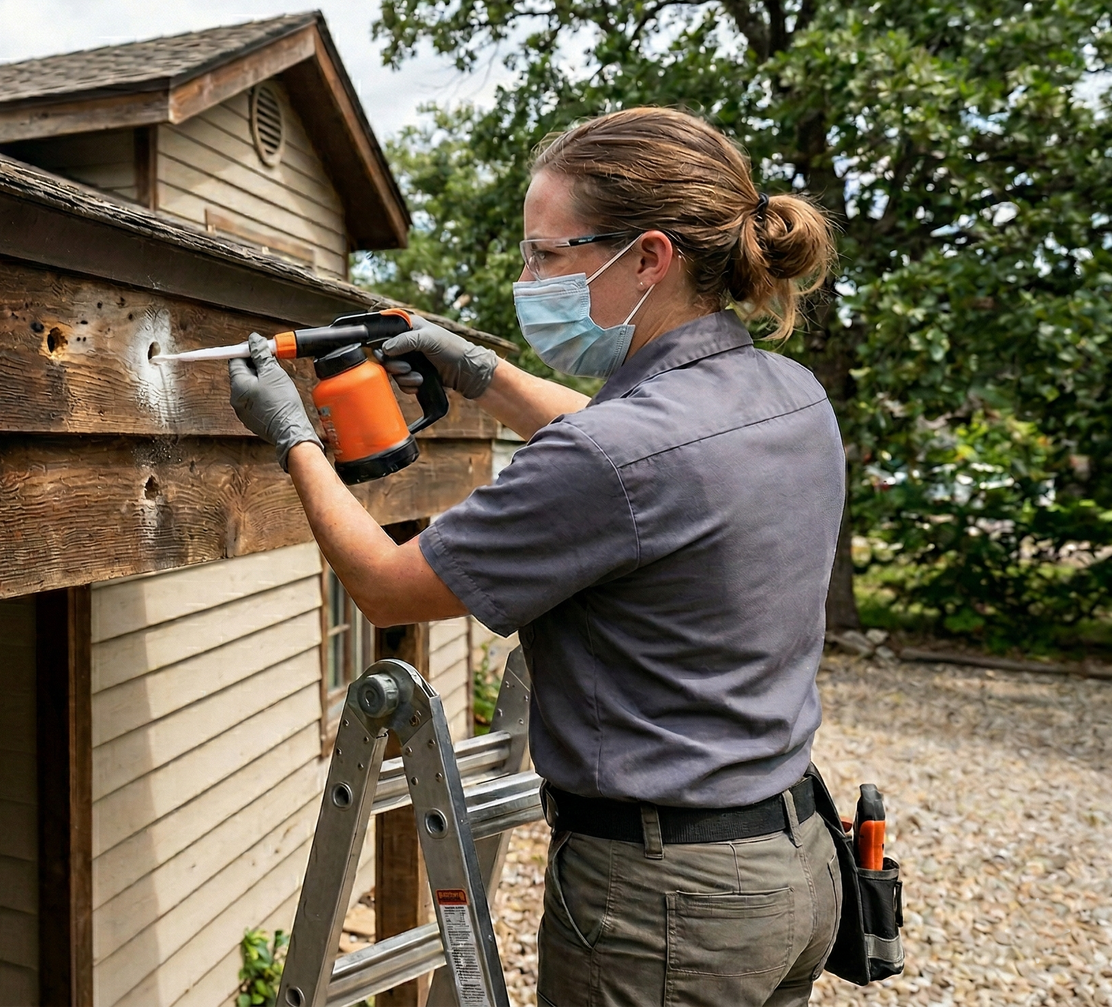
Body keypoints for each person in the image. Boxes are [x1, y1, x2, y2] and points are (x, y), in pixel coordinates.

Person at [227, 107, 845, 1007]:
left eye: (546, 255)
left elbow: (384, 582)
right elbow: (629, 452)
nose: (526, 278)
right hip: (792, 867)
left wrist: (292, 437)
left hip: (668, 907)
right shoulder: (788, 393)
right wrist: (480, 372)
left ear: (649, 257)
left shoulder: (614, 457)